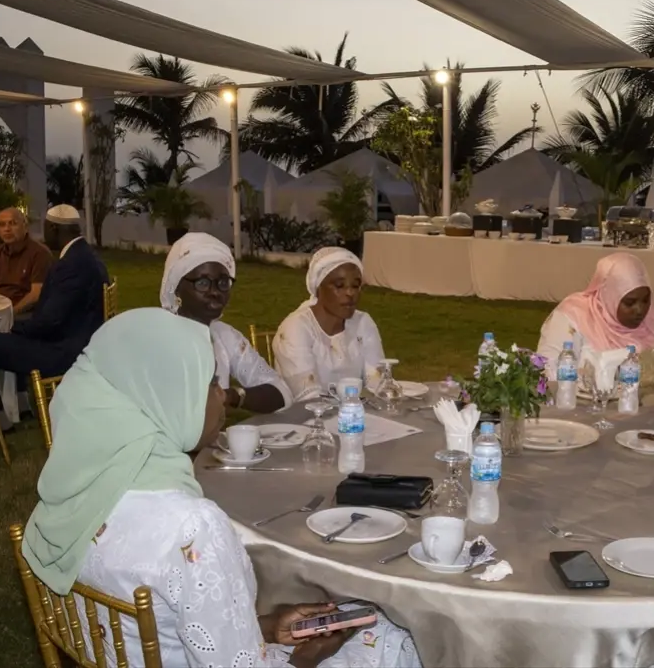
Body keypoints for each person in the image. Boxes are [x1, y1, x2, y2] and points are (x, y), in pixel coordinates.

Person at [22, 309, 420, 668]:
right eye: (208, 381)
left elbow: (164, 625)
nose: (220, 395)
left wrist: (264, 625)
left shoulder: (68, 497)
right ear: (164, 398)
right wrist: (312, 655)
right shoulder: (192, 526)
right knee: (395, 637)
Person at [536, 252, 654, 391]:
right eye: (630, 302)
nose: (640, 310)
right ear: (608, 294)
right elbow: (548, 375)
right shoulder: (573, 316)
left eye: (645, 300)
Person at [0, 204, 109, 410]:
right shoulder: (85, 255)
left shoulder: (71, 265)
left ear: (53, 229)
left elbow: (49, 322)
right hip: (80, 338)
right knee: (2, 338)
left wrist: (12, 327)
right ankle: (19, 403)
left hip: (65, 351)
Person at [160, 233, 291, 413]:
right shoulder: (158, 339)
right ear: (176, 289)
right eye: (203, 283)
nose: (215, 292)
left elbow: (281, 392)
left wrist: (232, 396)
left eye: (222, 282)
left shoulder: (224, 336)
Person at [273, 247, 385, 400]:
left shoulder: (362, 323)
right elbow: (309, 396)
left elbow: (378, 382)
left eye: (356, 285)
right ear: (318, 288)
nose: (350, 293)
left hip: (353, 416)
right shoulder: (296, 328)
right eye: (339, 286)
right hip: (303, 420)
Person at [0, 207, 53, 315]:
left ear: (25, 226)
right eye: (2, 225)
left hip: (28, 314)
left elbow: (35, 295)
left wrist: (10, 314)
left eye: (13, 223)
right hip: (2, 311)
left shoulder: (39, 253)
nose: (7, 229)